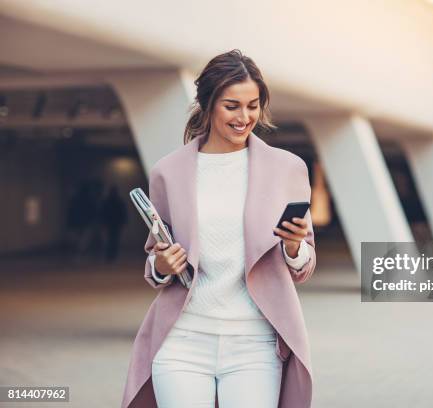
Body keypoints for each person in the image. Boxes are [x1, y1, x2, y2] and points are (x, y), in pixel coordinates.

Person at [121, 50, 316, 408]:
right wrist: (162, 266)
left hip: (254, 343)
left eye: (253, 106)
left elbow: (303, 264)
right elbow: (155, 257)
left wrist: (293, 246)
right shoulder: (169, 171)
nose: (245, 118)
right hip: (182, 339)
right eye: (232, 106)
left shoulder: (287, 168)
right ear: (207, 104)